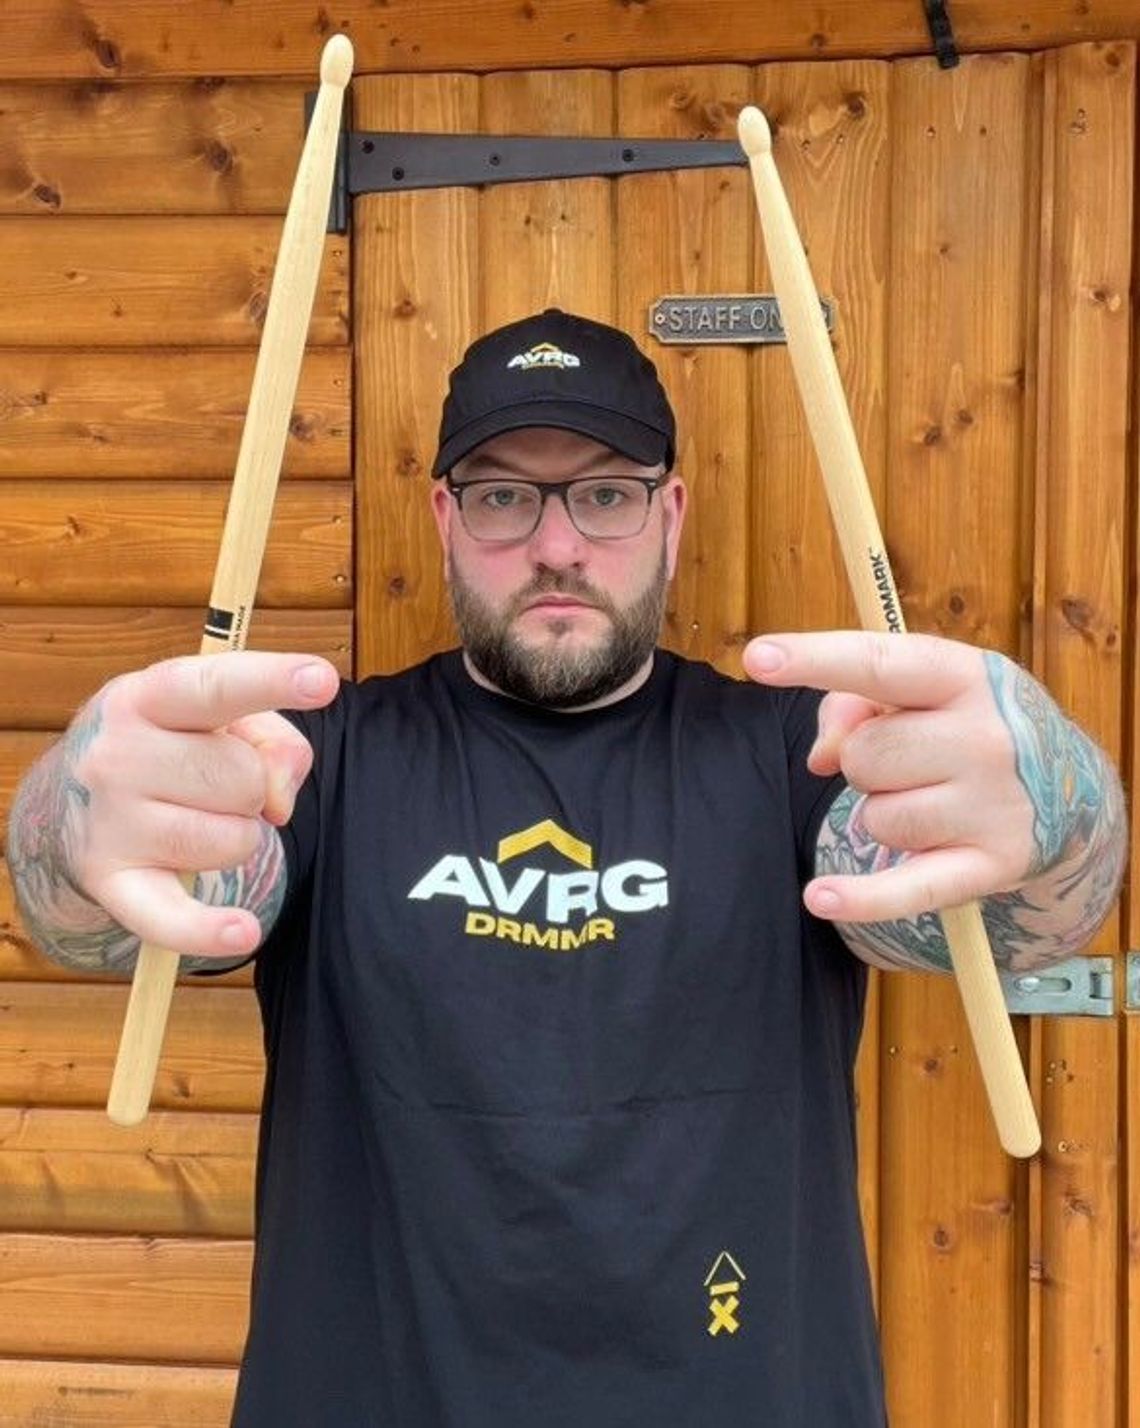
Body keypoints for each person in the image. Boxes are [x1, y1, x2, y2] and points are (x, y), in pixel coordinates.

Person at [7, 309, 1126, 1427]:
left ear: (669, 514)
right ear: (446, 518)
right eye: (503, 495)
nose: (556, 545)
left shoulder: (806, 755)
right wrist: (76, 820)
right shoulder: (314, 760)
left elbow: (1008, 921)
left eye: (604, 493)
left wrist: (1055, 804)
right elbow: (102, 921)